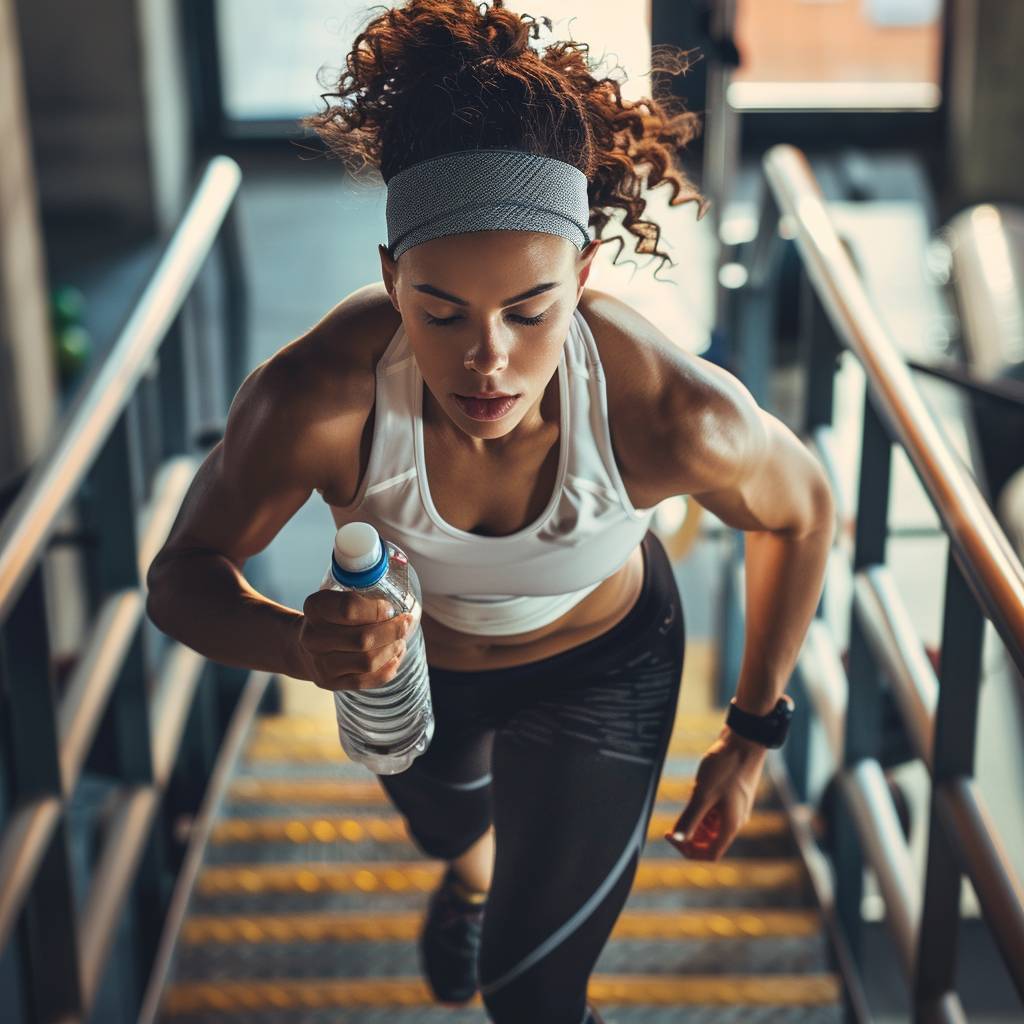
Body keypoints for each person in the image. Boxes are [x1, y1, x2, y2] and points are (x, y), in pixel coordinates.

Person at [146, 2, 834, 1022]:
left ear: (583, 277)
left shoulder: (671, 413)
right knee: (450, 839)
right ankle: (468, 877)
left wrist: (749, 732)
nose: (488, 360)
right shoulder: (316, 398)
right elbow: (180, 577)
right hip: (410, 685)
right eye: (440, 311)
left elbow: (803, 511)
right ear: (390, 279)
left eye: (530, 309)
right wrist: (299, 645)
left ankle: (493, 910)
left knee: (530, 989)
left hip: (603, 673)